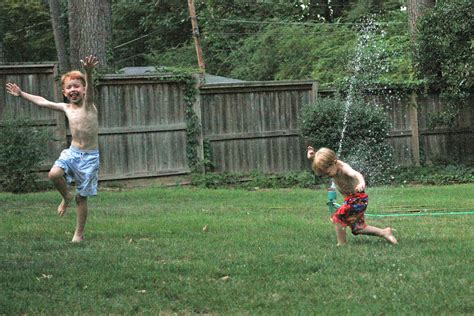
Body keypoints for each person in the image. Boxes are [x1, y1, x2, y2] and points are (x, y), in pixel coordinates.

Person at [5, 55, 100, 243]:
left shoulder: (89, 106)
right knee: (54, 174)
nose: (73, 90)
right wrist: (22, 94)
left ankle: (78, 234)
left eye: (77, 86)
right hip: (72, 152)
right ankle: (66, 196)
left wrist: (88, 72)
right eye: (69, 87)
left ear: (84, 90)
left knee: (83, 198)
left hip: (89, 157)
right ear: (64, 92)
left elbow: (90, 90)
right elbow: (43, 101)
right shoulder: (66, 108)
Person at [307, 146, 397, 246]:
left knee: (338, 217)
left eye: (327, 173)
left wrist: (361, 182)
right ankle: (384, 232)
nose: (328, 175)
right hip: (352, 200)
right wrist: (312, 156)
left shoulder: (343, 168)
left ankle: (341, 244)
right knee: (358, 228)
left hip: (357, 198)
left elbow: (355, 174)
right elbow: (321, 162)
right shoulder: (330, 165)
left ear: (334, 162)